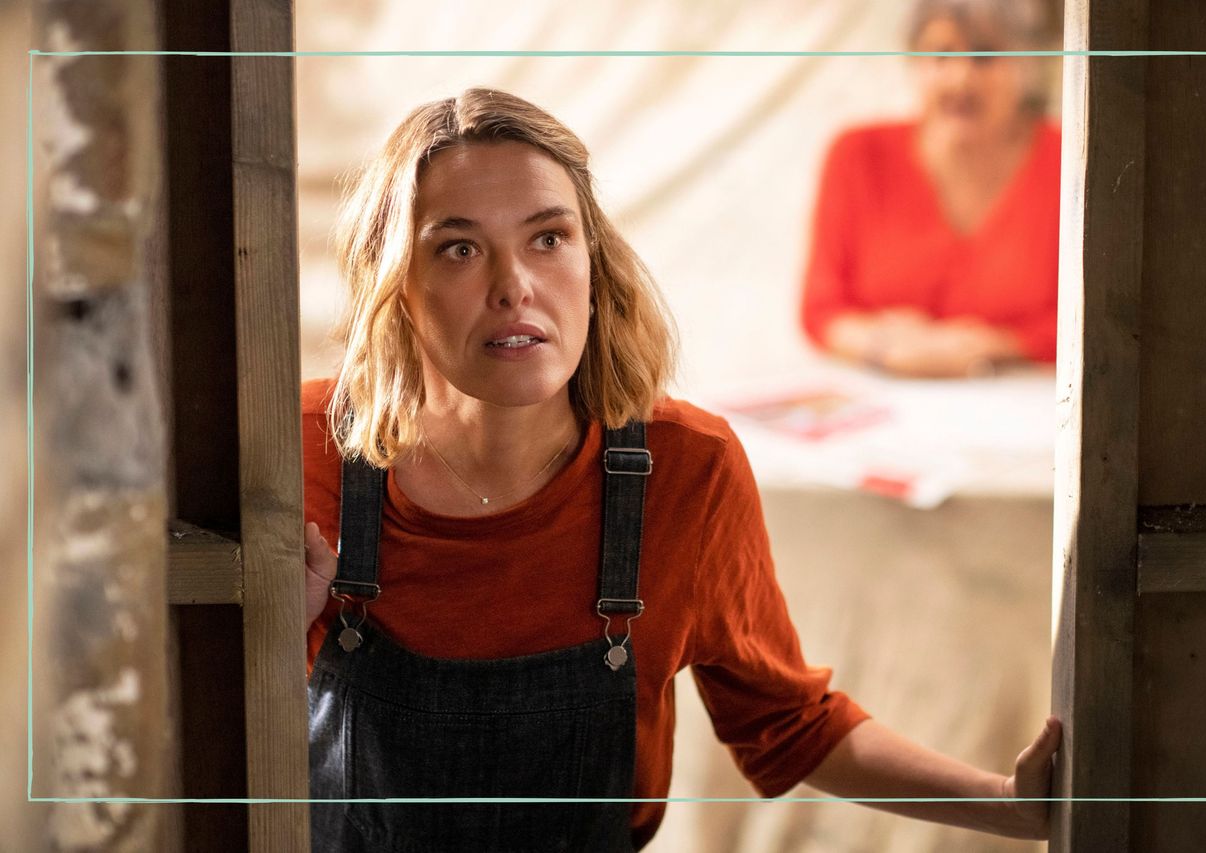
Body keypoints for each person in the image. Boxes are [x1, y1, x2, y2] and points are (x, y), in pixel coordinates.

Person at [302, 87, 1061, 852]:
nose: (514, 286)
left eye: (548, 238)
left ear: (594, 262)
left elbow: (787, 722)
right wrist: (269, 631)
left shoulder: (685, 471)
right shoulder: (303, 449)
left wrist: (1011, 805)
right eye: (459, 248)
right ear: (396, 283)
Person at [801, 0, 1062, 378]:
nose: (961, 78)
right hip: (884, 397)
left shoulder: (1069, 159)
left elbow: (1096, 318)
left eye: (985, 56)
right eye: (941, 56)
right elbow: (821, 309)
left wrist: (988, 347)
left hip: (1025, 404)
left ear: (1028, 65)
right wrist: (886, 347)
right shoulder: (857, 154)